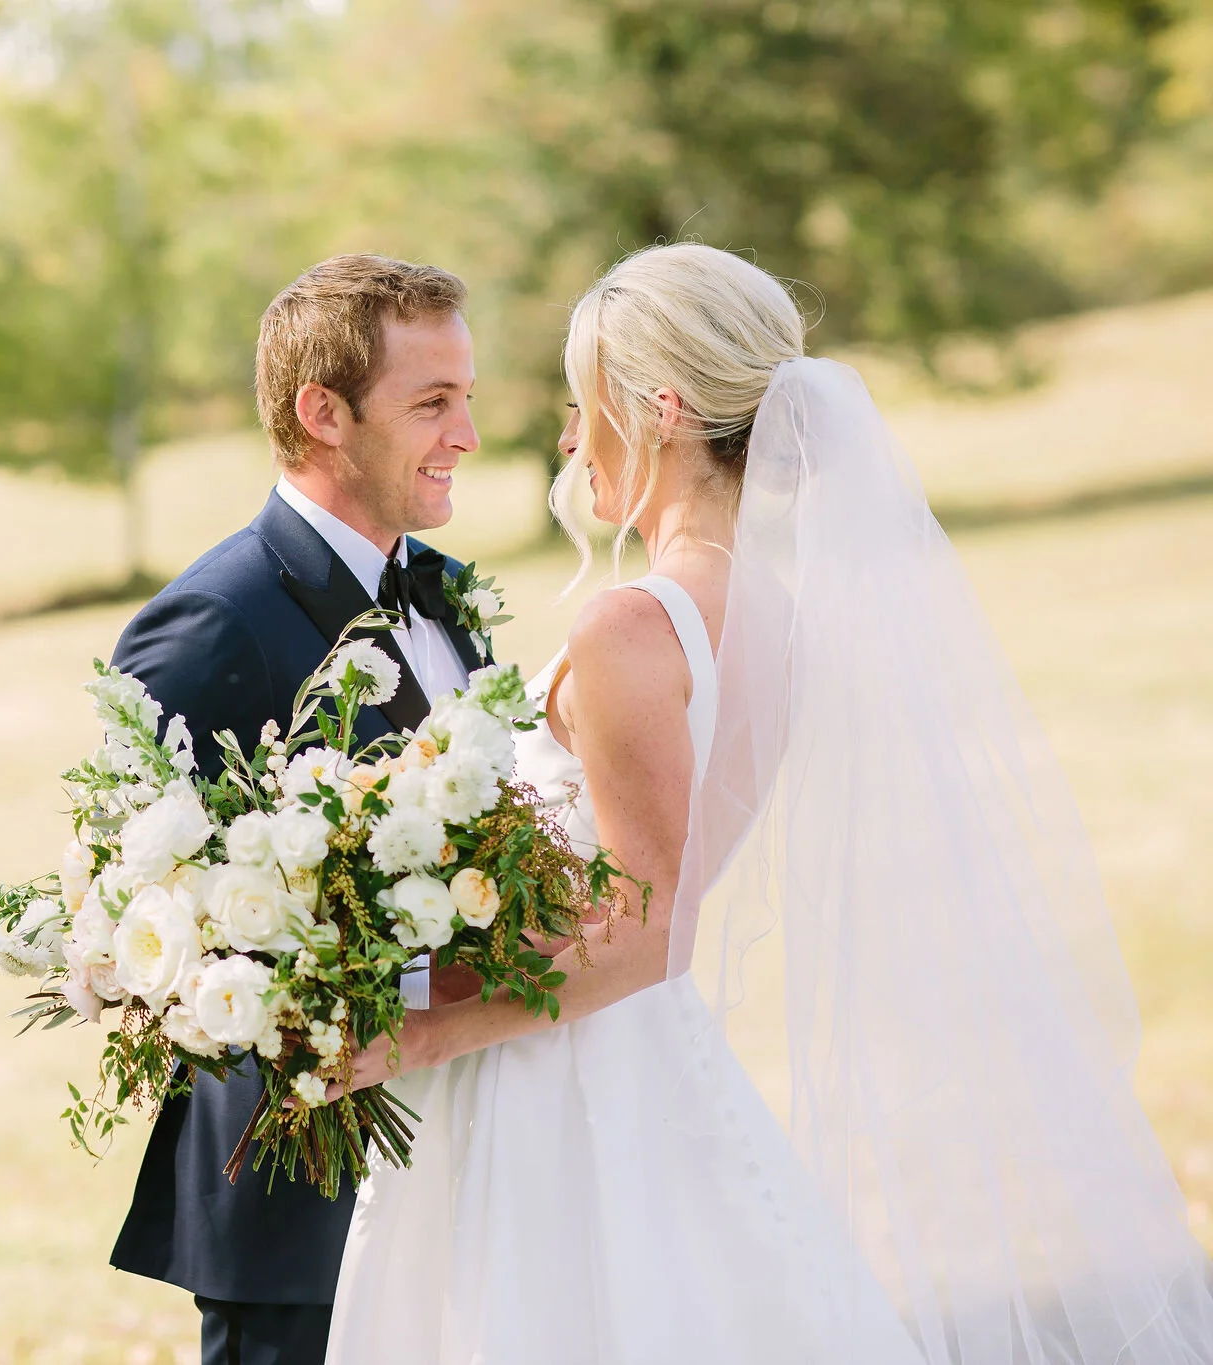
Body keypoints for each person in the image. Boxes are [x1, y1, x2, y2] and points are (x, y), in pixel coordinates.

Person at [326, 243, 1213, 1363]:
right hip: (638, 1058)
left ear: (659, 409)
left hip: (558, 1083)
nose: (562, 437)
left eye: (578, 403)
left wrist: (426, 1032)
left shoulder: (631, 627)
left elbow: (652, 927)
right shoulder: (771, 613)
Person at [108, 254, 486, 1365]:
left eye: (466, 398)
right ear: (323, 414)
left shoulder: (446, 592)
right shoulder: (210, 623)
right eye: (432, 403)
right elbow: (158, 927)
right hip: (302, 1199)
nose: (464, 433)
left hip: (465, 1158)